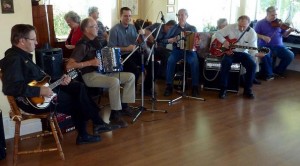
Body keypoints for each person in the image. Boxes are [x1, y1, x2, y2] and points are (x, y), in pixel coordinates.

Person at [0, 24, 119, 145]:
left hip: (41, 92)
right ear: (21, 41)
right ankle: (91, 128)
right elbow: (10, 87)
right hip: (33, 101)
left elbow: (39, 80)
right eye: (33, 39)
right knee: (77, 99)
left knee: (78, 87)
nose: (36, 42)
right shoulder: (14, 59)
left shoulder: (22, 56)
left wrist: (60, 80)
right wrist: (39, 91)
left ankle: (96, 122)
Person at [66, 17, 136, 128]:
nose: (97, 28)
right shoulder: (82, 44)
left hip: (103, 72)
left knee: (130, 77)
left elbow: (102, 58)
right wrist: (90, 63)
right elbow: (69, 65)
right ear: (86, 29)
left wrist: (115, 61)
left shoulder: (96, 41)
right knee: (114, 82)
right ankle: (115, 113)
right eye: (94, 26)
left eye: (97, 25)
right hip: (89, 75)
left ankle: (124, 106)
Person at [214, 15, 265, 99]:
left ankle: (247, 90)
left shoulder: (252, 33)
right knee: (225, 63)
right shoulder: (230, 27)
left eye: (244, 26)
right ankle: (223, 89)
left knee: (252, 65)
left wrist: (257, 54)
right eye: (240, 26)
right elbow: (217, 33)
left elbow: (252, 49)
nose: (241, 28)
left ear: (249, 24)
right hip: (230, 52)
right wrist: (224, 41)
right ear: (237, 22)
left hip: (243, 53)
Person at [108, 7, 154, 92]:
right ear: (120, 16)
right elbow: (111, 48)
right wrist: (126, 48)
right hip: (122, 57)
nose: (128, 18)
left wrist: (143, 36)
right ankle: (131, 92)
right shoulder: (114, 30)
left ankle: (146, 88)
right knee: (134, 70)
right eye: (125, 16)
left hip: (134, 53)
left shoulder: (133, 27)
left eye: (129, 16)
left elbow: (139, 43)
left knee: (153, 64)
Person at [162, 9, 200, 97]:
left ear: (187, 16)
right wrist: (170, 40)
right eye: (178, 15)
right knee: (170, 60)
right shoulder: (173, 28)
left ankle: (195, 86)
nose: (180, 17)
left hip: (189, 51)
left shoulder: (192, 28)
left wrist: (198, 43)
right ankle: (169, 86)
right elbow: (164, 40)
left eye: (182, 15)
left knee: (194, 62)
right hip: (177, 50)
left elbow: (197, 42)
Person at [254, 6, 295, 80]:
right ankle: (269, 74)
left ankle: (278, 71)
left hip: (279, 46)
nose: (275, 17)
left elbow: (284, 35)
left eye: (276, 15)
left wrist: (289, 31)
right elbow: (254, 34)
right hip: (264, 45)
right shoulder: (260, 23)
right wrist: (263, 37)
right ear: (267, 14)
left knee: (290, 55)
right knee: (265, 54)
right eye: (273, 15)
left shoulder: (279, 23)